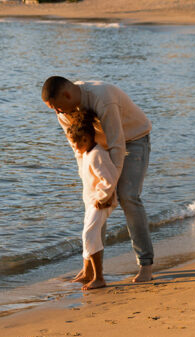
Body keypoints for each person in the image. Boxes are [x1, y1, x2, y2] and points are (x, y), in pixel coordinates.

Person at [42, 75, 155, 282]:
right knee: (95, 201)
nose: (58, 113)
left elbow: (117, 144)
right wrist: (89, 183)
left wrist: (109, 186)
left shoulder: (102, 97)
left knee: (127, 196)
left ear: (67, 94)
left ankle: (145, 265)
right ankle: (93, 271)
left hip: (133, 139)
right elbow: (78, 150)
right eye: (54, 110)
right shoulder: (63, 112)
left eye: (58, 107)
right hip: (97, 146)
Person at [64, 107, 120, 291]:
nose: (74, 147)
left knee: (90, 234)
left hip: (102, 202)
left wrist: (103, 197)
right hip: (92, 202)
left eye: (76, 143)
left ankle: (98, 277)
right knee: (88, 234)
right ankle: (88, 272)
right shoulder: (87, 153)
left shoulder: (97, 155)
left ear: (86, 139)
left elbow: (110, 179)